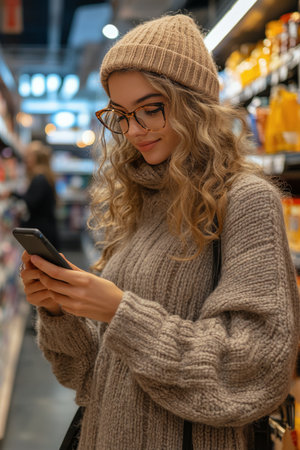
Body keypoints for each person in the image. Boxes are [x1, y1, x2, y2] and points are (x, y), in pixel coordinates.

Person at [20, 14, 300, 450]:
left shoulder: (246, 200)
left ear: (195, 104)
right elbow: (93, 376)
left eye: (151, 109)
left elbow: (256, 366)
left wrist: (120, 312)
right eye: (122, 114)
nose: (133, 131)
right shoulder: (140, 200)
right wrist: (62, 309)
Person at [14, 140, 59, 248]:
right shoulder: (44, 176)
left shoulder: (39, 178)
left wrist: (12, 194)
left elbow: (31, 202)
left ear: (35, 158)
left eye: (28, 156)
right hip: (46, 229)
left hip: (42, 233)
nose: (26, 160)